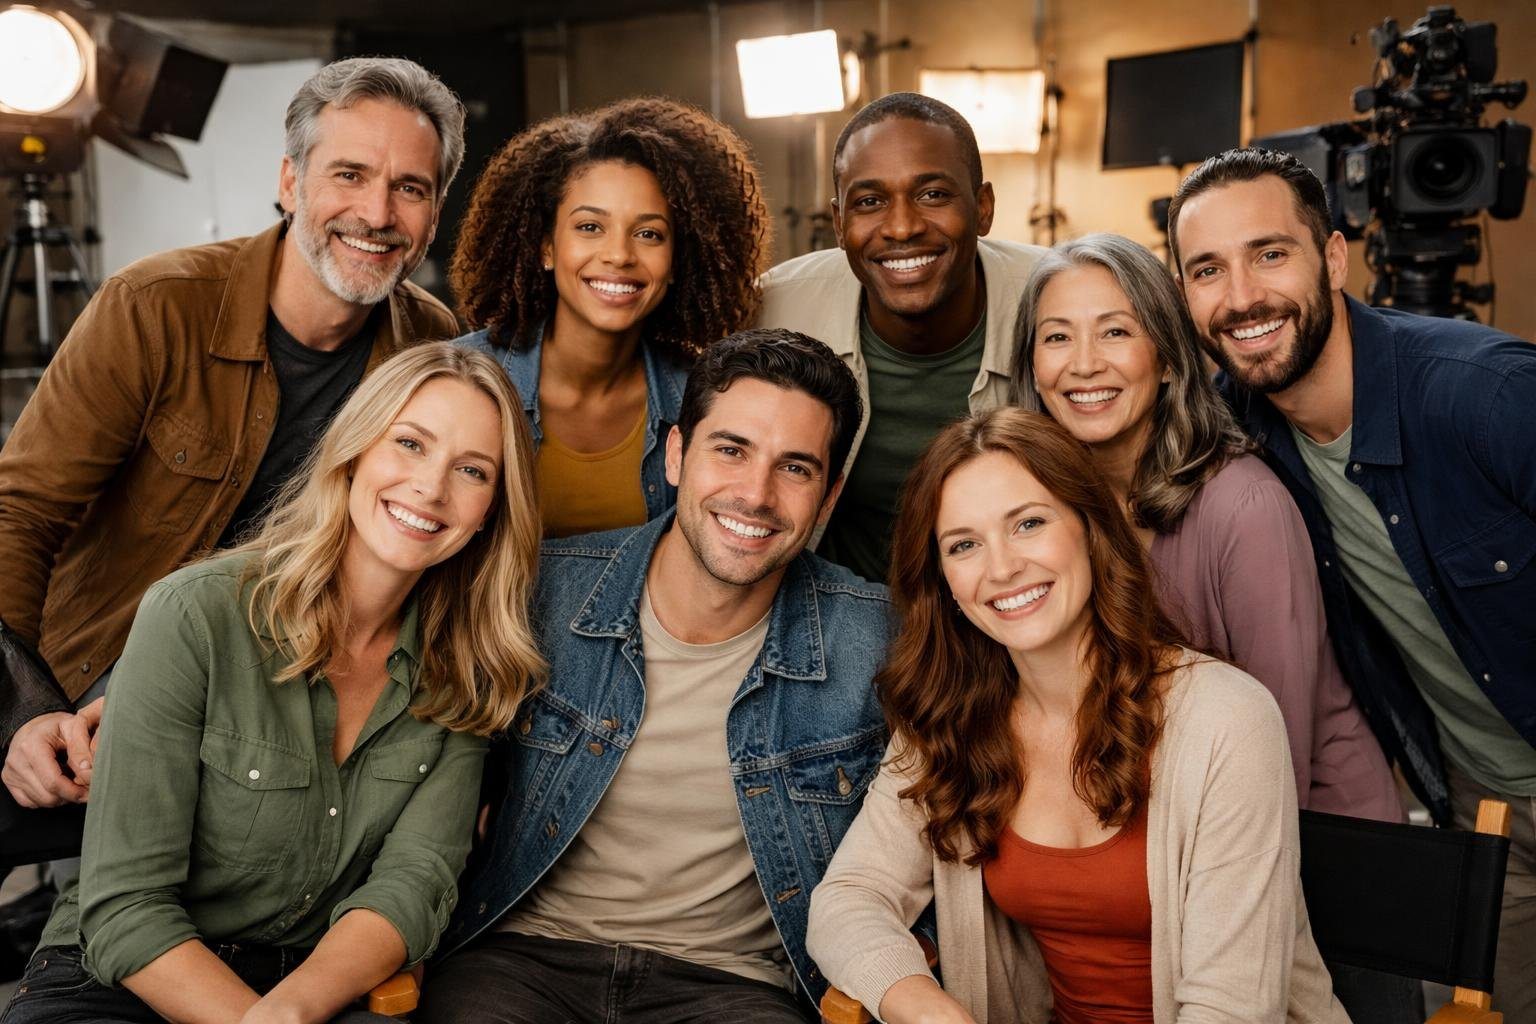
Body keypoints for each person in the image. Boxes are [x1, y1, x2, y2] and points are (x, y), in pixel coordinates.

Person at [0, 343, 544, 1024]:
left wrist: (287, 1012)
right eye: (408, 444)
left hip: (314, 984)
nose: (431, 489)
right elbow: (125, 907)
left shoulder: (466, 668)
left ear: (493, 507)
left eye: (471, 470)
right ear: (353, 452)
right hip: (123, 980)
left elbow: (411, 888)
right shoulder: (194, 616)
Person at [0, 57, 466, 814]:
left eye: (410, 188)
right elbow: (20, 512)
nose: (378, 213)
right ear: (290, 183)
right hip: (103, 662)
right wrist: (22, 712)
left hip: (289, 672)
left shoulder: (430, 343)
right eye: (348, 174)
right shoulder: (155, 307)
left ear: (435, 213)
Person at [807, 408, 1348, 1024]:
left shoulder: (1228, 720)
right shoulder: (951, 719)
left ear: (1092, 528)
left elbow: (1231, 1010)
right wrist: (928, 1008)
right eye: (964, 545)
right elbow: (849, 898)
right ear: (943, 580)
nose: (1002, 567)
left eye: (1029, 523)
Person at [416, 329, 891, 1023]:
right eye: (730, 451)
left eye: (795, 468)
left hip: (732, 987)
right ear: (675, 454)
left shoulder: (876, 638)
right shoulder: (542, 593)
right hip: (522, 962)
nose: (754, 494)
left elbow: (936, 841)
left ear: (828, 496)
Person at [1168, 146, 1536, 1021]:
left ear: (1334, 258)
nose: (1243, 296)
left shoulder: (1485, 395)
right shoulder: (1235, 435)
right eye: (1207, 270)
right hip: (1482, 814)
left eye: (1270, 253)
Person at [1011, 233, 1401, 821]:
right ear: (1032, 366)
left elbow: (1277, 753)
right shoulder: (1042, 510)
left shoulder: (1246, 508)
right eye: (1058, 336)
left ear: (1167, 359)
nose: (1084, 362)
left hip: (1312, 836)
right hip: (1151, 824)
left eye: (1116, 331)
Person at [756, 92, 1044, 583]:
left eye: (932, 194)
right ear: (839, 221)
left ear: (983, 208)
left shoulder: (1054, 298)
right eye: (870, 202)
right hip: (834, 614)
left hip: (1011, 604)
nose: (903, 227)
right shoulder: (773, 309)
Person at [453, 97, 769, 537]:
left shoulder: (702, 402)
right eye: (589, 227)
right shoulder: (455, 381)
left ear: (677, 260)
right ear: (546, 246)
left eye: (648, 234)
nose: (619, 255)